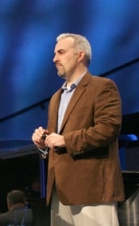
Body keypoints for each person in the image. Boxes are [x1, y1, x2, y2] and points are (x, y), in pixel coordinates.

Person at [31, 33, 124, 225]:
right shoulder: (56, 97)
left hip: (92, 191)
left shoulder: (102, 87)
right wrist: (43, 144)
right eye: (55, 53)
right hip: (60, 192)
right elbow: (55, 142)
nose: (54, 58)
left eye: (61, 52)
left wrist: (65, 140)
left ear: (80, 55)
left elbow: (108, 129)